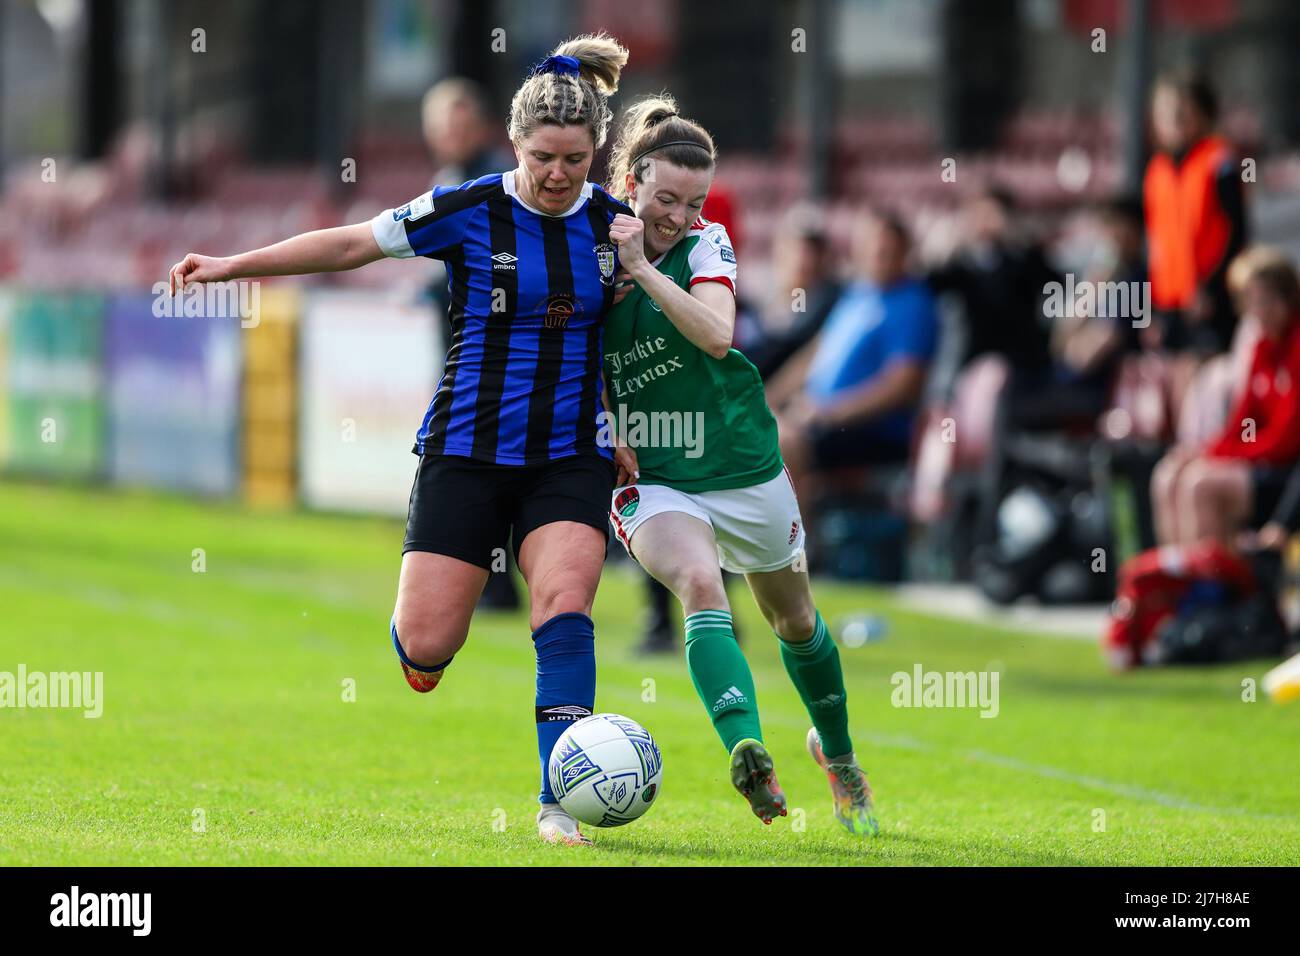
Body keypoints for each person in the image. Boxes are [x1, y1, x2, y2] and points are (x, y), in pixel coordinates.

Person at [167, 35, 633, 847]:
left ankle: (561, 797)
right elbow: (351, 243)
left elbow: (624, 331)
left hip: (568, 455)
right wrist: (234, 263)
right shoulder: (468, 206)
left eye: (576, 159)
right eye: (543, 157)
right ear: (515, 146)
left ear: (595, 152)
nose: (560, 175)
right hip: (465, 447)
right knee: (427, 645)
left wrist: (620, 419)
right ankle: (422, 649)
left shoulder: (612, 225)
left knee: (564, 607)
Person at [601, 94, 878, 836]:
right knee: (698, 582)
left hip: (741, 459)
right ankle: (749, 751)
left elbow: (717, 335)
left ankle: (840, 756)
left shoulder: (707, 245)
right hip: (654, 473)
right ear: (632, 182)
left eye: (693, 202)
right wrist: (604, 420)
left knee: (794, 620)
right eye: (663, 199)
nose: (678, 216)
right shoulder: (587, 242)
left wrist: (643, 271)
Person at [420, 78, 521, 611]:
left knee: (496, 462)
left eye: (460, 123)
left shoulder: (488, 184)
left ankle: (501, 583)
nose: (452, 134)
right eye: (443, 126)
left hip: (503, 356)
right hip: (466, 350)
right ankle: (496, 582)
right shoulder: (449, 181)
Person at [767, 211, 938, 512]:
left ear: (903, 252)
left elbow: (903, 387)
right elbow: (813, 358)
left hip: (871, 430)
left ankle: (795, 554)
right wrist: (763, 397)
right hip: (821, 421)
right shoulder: (857, 294)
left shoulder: (913, 302)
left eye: (886, 249)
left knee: (782, 443)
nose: (876, 255)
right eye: (870, 246)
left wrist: (829, 413)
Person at [1151, 249, 1300, 546]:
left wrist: (1224, 457)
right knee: (1169, 474)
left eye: (1267, 299)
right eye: (1251, 302)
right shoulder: (1263, 349)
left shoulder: (1295, 348)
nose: (1259, 310)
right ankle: (1177, 573)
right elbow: (1245, 421)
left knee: (1201, 484)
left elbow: (1287, 439)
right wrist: (1210, 450)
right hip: (1261, 461)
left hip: (1287, 474)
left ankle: (1211, 583)